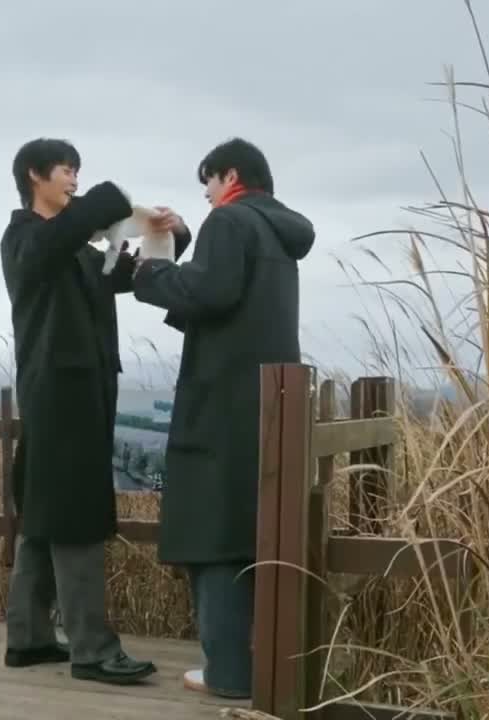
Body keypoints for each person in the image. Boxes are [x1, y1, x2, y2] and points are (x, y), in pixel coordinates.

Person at [0, 137, 191, 686]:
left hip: (83, 391)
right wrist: (111, 200)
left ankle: (29, 638)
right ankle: (93, 650)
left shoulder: (81, 250)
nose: (74, 178)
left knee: (44, 511)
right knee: (76, 512)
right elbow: (61, 237)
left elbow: (132, 274)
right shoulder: (24, 238)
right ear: (34, 175)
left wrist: (172, 233)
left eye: (78, 170)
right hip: (58, 391)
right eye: (65, 169)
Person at [131, 137, 315, 699]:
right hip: (267, 405)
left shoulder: (230, 222)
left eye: (207, 182)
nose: (207, 195)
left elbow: (210, 291)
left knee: (213, 535)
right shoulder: (276, 232)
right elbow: (230, 298)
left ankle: (228, 674)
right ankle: (260, 668)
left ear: (230, 176)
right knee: (254, 533)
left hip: (220, 404)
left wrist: (149, 269)